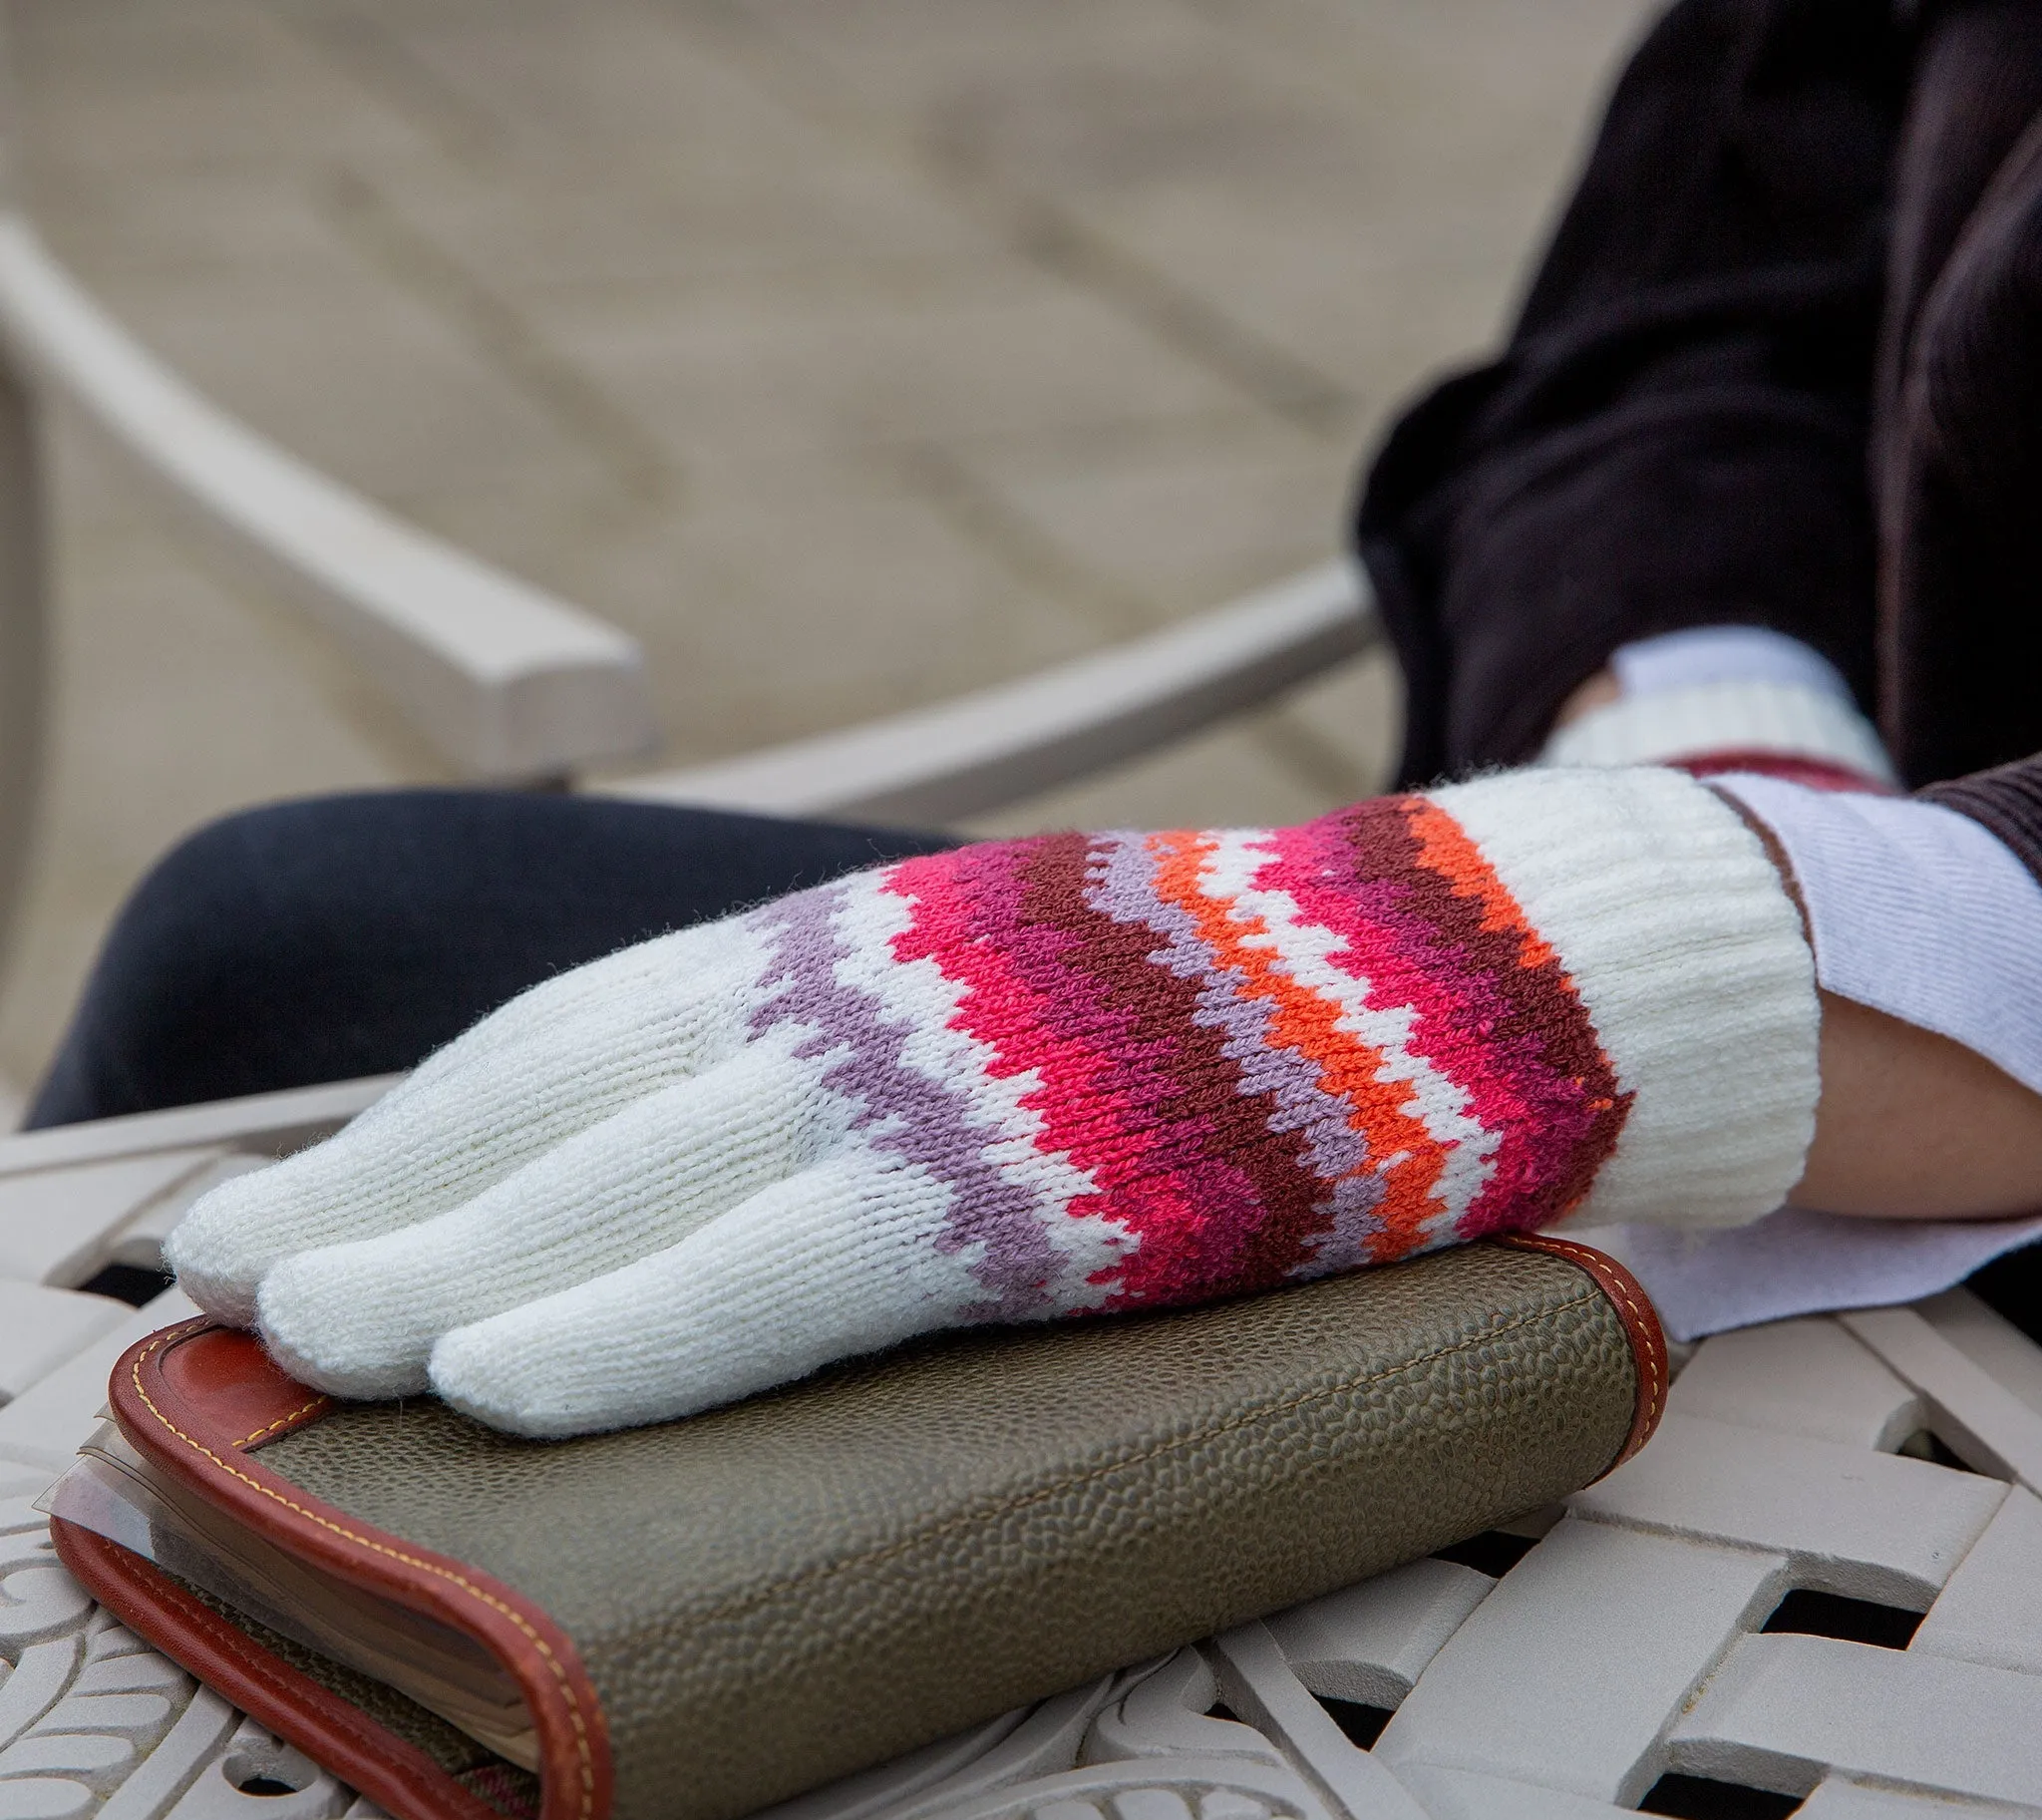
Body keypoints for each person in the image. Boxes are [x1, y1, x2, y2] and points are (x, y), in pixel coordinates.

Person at [29, 0, 2042, 1433]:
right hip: (1788, 939)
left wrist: (1712, 964)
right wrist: (1708, 747)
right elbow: (1701, 291)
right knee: (276, 944)